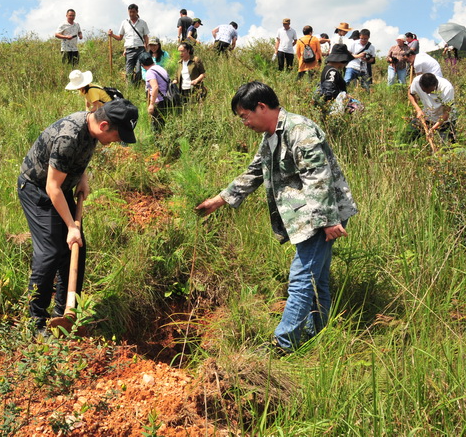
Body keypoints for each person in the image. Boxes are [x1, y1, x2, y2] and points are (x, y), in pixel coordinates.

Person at [196, 81, 357, 354]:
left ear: (261, 107)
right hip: (302, 209)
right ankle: (316, 331)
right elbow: (255, 171)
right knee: (317, 279)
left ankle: (281, 345)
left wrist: (328, 222)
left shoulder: (300, 131)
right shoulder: (271, 135)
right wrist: (220, 199)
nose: (244, 123)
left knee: (302, 277)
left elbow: (318, 179)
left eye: (245, 116)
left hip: (321, 212)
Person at [18, 99, 138, 335]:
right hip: (38, 190)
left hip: (59, 188)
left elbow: (76, 159)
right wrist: (71, 226)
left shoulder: (92, 128)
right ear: (104, 125)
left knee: (76, 248)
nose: (117, 141)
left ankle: (65, 314)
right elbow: (52, 187)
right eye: (117, 135)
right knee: (51, 251)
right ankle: (36, 323)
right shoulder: (69, 136)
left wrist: (81, 177)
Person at [408, 73, 456, 143]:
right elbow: (410, 93)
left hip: (445, 121)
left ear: (435, 85)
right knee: (408, 134)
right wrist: (418, 110)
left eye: (431, 91)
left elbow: (446, 114)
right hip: (428, 116)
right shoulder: (416, 81)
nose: (428, 93)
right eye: (425, 91)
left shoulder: (447, 88)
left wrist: (432, 129)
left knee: (447, 147)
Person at [108, 3, 149, 86]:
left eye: (133, 12)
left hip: (140, 50)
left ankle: (137, 87)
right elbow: (120, 37)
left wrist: (146, 47)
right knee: (128, 72)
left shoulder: (143, 23)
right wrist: (112, 35)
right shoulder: (124, 23)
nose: (131, 14)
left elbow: (146, 37)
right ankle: (129, 89)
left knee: (138, 71)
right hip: (129, 50)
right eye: (130, 12)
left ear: (137, 12)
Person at [141, 52, 170, 134]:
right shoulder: (160, 68)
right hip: (166, 99)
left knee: (157, 127)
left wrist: (151, 104)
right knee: (164, 125)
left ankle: (159, 144)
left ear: (142, 65)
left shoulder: (150, 72)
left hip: (159, 102)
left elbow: (155, 87)